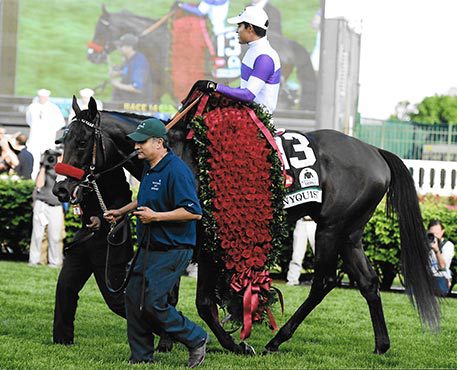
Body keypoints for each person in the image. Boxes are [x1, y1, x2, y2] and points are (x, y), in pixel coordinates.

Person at [104, 118, 209, 367]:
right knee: (133, 297)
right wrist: (122, 211)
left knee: (152, 302)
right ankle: (141, 357)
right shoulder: (150, 167)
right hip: (150, 247)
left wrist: (156, 217)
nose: (136, 147)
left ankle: (195, 337)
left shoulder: (176, 170)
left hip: (174, 248)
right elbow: (145, 199)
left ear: (159, 143)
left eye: (141, 142)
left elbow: (193, 212)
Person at [53, 167, 133, 345]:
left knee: (116, 301)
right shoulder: (75, 169)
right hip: (84, 240)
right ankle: (62, 340)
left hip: (109, 244)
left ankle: (166, 328)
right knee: (65, 287)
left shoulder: (111, 169)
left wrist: (100, 218)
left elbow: (123, 199)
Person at [195, 6, 281, 114]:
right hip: (247, 112)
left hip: (258, 120)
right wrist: (221, 93)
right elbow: (245, 87)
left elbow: (248, 95)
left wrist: (215, 87)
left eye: (239, 26)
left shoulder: (264, 58)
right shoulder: (254, 50)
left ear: (250, 28)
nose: (237, 31)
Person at [28, 149, 65, 267]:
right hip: (42, 204)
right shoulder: (45, 169)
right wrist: (43, 166)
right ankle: (33, 261)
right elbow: (39, 185)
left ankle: (55, 262)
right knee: (37, 235)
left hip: (56, 206)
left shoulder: (63, 171)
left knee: (55, 236)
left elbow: (62, 185)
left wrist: (60, 166)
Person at [26, 89, 65, 180]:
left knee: (47, 160)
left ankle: (47, 179)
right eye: (41, 97)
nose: (42, 99)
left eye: (44, 97)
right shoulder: (32, 107)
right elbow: (29, 120)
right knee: (34, 160)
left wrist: (52, 130)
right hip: (34, 139)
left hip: (48, 139)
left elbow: (61, 122)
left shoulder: (53, 108)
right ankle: (33, 179)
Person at [110, 34, 153, 104]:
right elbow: (125, 72)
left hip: (137, 105)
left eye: (121, 46)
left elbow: (137, 88)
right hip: (127, 101)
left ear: (129, 47)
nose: (118, 49)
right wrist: (118, 72)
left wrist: (117, 84)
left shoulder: (139, 62)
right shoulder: (129, 59)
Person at [428, 219, 455, 296]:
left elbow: (442, 266)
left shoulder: (448, 245)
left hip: (440, 277)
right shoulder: (424, 244)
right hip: (425, 277)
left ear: (442, 232)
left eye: (437, 233)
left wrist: (436, 250)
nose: (434, 236)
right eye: (431, 234)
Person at [286, 217, 316, 286]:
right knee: (297, 254)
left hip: (315, 222)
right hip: (301, 222)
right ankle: (292, 280)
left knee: (319, 254)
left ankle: (322, 280)